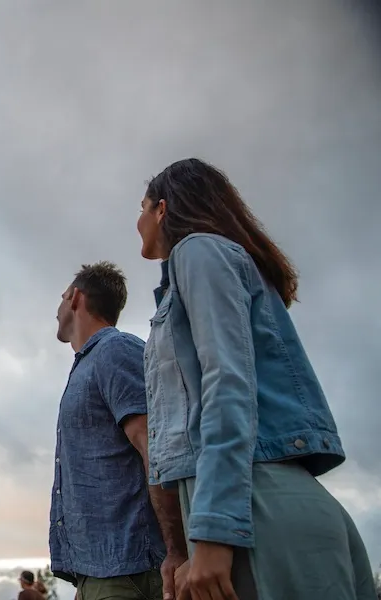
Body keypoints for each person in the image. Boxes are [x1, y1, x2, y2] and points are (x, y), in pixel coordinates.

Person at [137, 157, 377, 600]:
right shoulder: (208, 263)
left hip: (255, 507)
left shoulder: (197, 250)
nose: (137, 221)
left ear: (163, 209)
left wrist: (213, 532)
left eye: (142, 207)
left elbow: (226, 384)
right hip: (256, 504)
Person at [49, 262, 187, 600]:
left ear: (76, 297)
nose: (57, 308)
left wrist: (177, 552)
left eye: (61, 297)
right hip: (98, 571)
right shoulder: (87, 365)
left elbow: (154, 447)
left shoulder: (115, 351)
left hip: (129, 569)